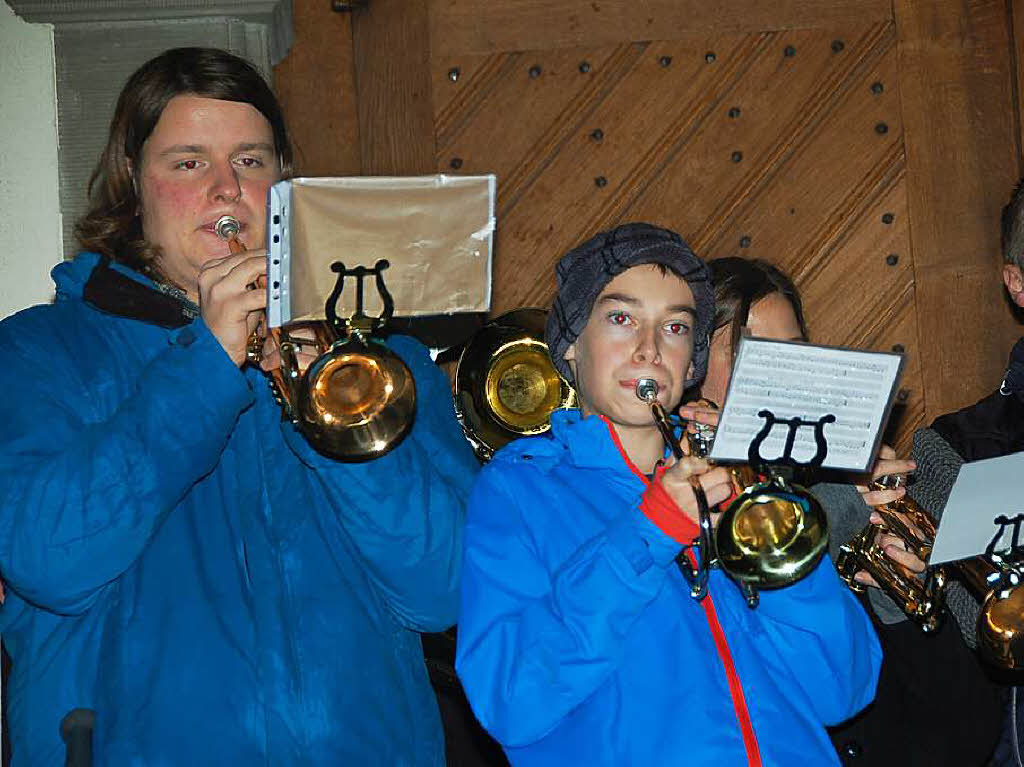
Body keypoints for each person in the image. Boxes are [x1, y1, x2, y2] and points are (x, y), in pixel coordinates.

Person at [0, 47, 477, 765]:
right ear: (133, 181)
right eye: (189, 162)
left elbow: (444, 590)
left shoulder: (385, 362)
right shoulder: (41, 350)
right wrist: (205, 370)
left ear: (284, 182)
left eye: (251, 162)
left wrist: (333, 404)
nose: (226, 191)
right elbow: (48, 558)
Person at [455, 223, 881, 766]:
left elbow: (840, 690)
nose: (650, 349)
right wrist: (647, 532)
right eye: (620, 318)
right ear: (569, 345)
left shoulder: (737, 481)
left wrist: (771, 535)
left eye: (675, 327)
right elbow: (510, 701)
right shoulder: (518, 491)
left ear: (691, 360)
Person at [686, 256, 1006, 766]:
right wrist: (833, 510)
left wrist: (897, 597)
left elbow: (964, 737)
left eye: (791, 353)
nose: (779, 374)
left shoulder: (847, 486)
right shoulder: (685, 511)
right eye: (750, 353)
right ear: (690, 371)